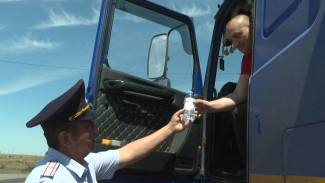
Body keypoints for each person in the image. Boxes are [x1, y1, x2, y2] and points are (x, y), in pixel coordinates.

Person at [25, 79, 193, 183]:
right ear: (65, 139)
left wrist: (171, 128)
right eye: (88, 126)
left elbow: (128, 152)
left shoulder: (83, 162)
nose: (96, 129)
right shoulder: (51, 180)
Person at [193, 14, 252, 168]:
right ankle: (248, 167)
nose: (236, 44)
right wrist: (209, 106)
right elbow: (238, 95)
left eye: (237, 36)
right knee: (238, 113)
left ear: (252, 28)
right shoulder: (247, 59)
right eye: (231, 41)